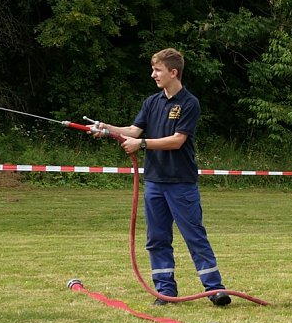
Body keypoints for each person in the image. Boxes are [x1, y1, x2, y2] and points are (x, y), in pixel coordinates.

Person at [90, 48, 231, 307]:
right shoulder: (151, 102)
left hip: (181, 183)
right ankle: (165, 292)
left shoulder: (189, 103)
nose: (153, 74)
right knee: (157, 239)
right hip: (154, 183)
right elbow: (133, 130)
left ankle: (215, 289)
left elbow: (177, 141)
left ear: (173, 72)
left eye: (158, 70)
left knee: (194, 236)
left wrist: (140, 144)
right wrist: (106, 129)